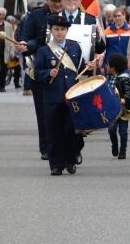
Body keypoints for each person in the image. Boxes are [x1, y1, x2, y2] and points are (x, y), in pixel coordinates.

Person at [34, 15, 94, 176]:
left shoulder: (75, 47)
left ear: (67, 30)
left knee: (72, 131)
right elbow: (36, 73)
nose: (59, 32)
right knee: (53, 132)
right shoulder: (43, 51)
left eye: (62, 29)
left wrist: (89, 66)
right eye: (56, 29)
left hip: (72, 96)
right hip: (52, 97)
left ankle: (71, 158)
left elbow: (81, 68)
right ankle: (56, 165)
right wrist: (48, 72)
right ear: (51, 31)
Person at [59, 0, 106, 165]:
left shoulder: (90, 20)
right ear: (61, 0)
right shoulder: (54, 19)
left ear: (79, 0)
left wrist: (100, 42)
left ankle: (75, 149)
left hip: (83, 74)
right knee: (63, 117)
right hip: (61, 74)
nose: (71, 0)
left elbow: (100, 47)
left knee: (78, 117)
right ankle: (66, 154)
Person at [16, 0, 63, 160]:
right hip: (41, 70)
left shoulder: (68, 14)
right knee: (44, 113)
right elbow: (28, 39)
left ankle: (67, 147)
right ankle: (46, 147)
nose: (58, 4)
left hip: (64, 71)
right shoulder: (35, 16)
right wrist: (25, 45)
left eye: (60, 1)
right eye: (54, 1)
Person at [106, 53, 130, 160]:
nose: (106, 67)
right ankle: (114, 145)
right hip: (112, 109)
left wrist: (125, 99)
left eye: (108, 65)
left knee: (123, 131)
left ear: (114, 68)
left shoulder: (125, 78)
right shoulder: (108, 77)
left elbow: (129, 92)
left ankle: (123, 151)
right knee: (111, 130)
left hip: (123, 110)